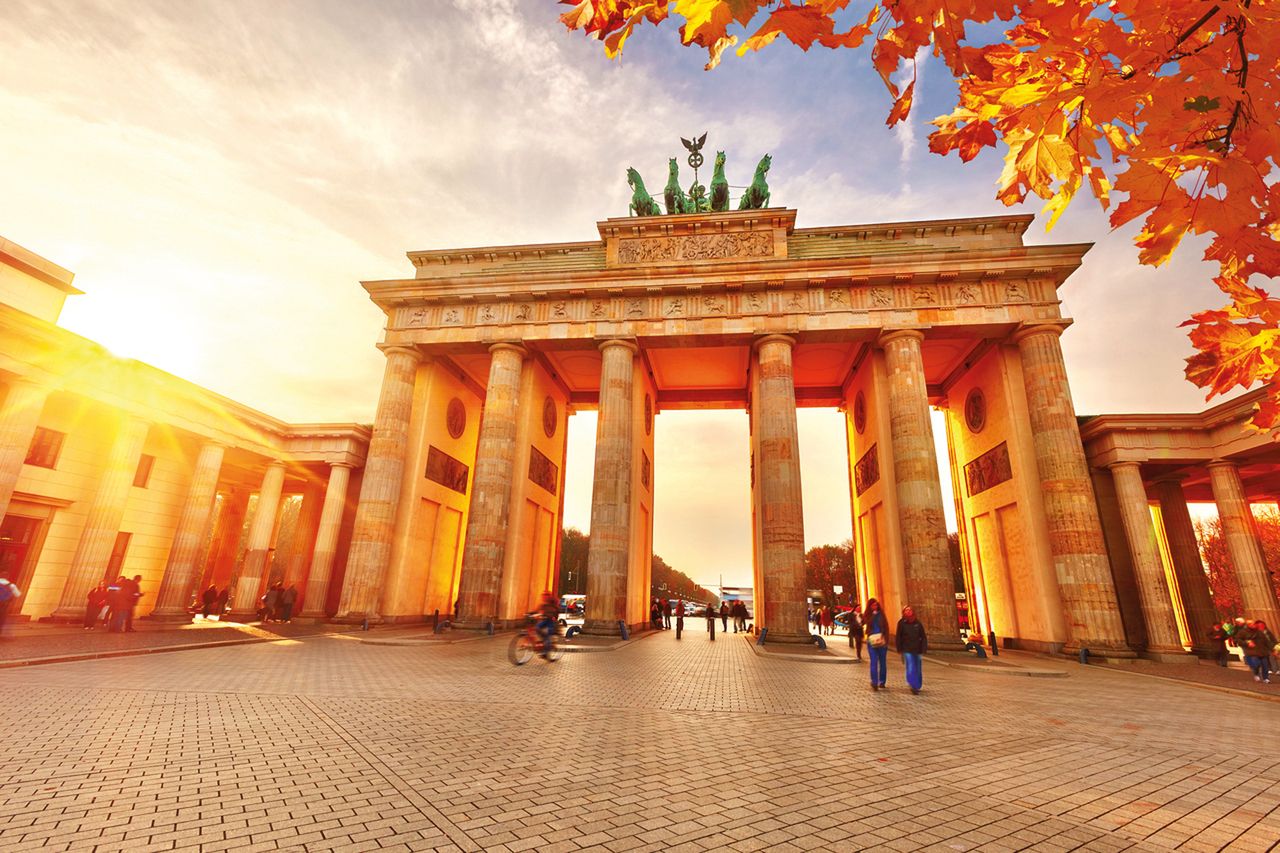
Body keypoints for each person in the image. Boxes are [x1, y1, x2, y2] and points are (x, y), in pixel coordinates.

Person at [895, 605, 928, 695]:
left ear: (913, 611)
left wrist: (924, 648)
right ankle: (913, 685)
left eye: (910, 610)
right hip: (907, 648)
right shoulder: (901, 623)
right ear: (904, 612)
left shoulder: (918, 623)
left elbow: (923, 636)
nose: (908, 611)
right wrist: (899, 648)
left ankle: (918, 684)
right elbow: (898, 636)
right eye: (906, 610)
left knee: (917, 667)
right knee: (910, 666)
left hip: (917, 648)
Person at [1239, 619, 1277, 684]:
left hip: (1262, 651)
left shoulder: (1259, 632)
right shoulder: (1243, 632)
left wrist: (1272, 650)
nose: (1254, 625)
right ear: (1248, 625)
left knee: (1265, 666)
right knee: (1256, 664)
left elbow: (1266, 642)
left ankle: (1266, 678)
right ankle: (1256, 673)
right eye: (1252, 624)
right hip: (1252, 652)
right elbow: (1238, 640)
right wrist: (1246, 643)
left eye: (1254, 624)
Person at [864, 598, 888, 690]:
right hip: (872, 641)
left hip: (881, 641)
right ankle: (874, 682)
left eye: (876, 605)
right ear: (869, 606)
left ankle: (882, 681)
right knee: (873, 661)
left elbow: (886, 626)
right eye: (873, 605)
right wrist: (873, 615)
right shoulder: (867, 615)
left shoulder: (882, 615)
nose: (875, 606)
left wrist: (886, 639)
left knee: (882, 662)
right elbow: (866, 623)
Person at [535, 591, 558, 655]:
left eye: (545, 597)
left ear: (548, 597)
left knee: (547, 634)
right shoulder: (542, 605)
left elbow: (555, 613)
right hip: (544, 621)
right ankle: (542, 641)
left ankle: (546, 651)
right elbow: (536, 611)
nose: (543, 598)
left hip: (551, 622)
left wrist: (549, 616)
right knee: (537, 627)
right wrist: (530, 614)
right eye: (543, 597)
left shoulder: (552, 605)